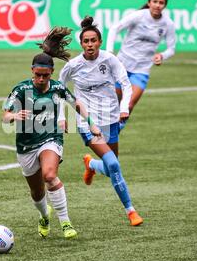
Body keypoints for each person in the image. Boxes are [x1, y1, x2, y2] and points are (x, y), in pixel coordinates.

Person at [2, 27, 102, 239]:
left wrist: (92, 124)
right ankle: (44, 215)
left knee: (50, 175)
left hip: (51, 138)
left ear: (51, 74)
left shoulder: (57, 88)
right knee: (37, 193)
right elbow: (5, 114)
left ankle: (65, 222)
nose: (40, 79)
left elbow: (77, 104)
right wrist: (13, 117)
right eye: (37, 75)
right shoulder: (20, 89)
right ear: (32, 71)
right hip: (26, 145)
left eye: (45, 75)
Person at [58, 16, 144, 227]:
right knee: (114, 164)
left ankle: (93, 165)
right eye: (86, 41)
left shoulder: (110, 60)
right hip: (87, 122)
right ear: (81, 44)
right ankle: (131, 211)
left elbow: (125, 84)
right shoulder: (73, 66)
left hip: (111, 118)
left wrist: (124, 108)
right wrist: (62, 117)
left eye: (93, 40)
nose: (90, 45)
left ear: (100, 42)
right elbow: (58, 91)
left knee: (111, 164)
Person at [106, 0, 176, 131]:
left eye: (161, 3)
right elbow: (114, 28)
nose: (157, 5)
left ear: (165, 6)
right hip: (122, 65)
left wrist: (162, 56)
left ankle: (113, 135)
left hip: (141, 70)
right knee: (115, 104)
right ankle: (106, 135)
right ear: (149, 3)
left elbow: (171, 49)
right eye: (155, 1)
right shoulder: (138, 16)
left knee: (129, 105)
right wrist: (109, 52)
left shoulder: (168, 24)